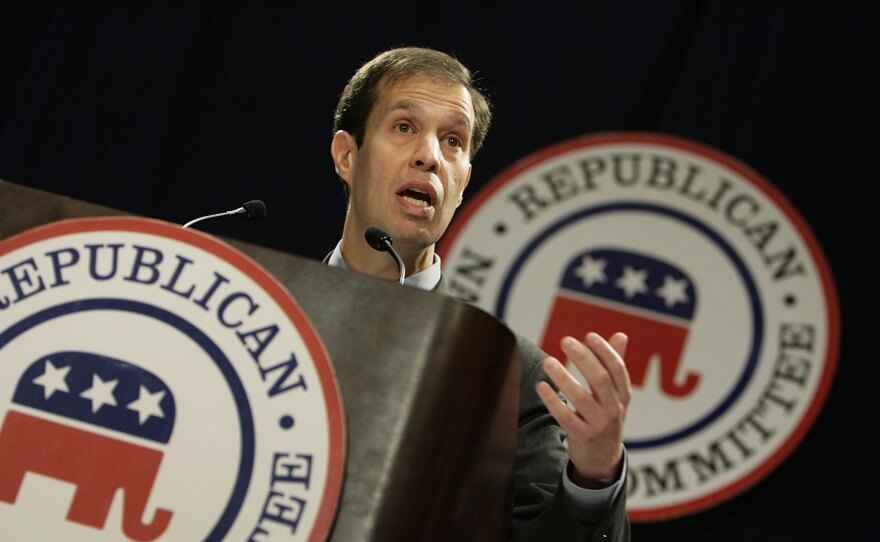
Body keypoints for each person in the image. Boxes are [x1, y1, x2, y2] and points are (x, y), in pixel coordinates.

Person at [327, 47, 632, 541]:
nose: (429, 155)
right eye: (404, 126)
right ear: (347, 154)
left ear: (462, 180)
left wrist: (593, 476)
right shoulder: (263, 311)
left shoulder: (507, 371)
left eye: (453, 141)